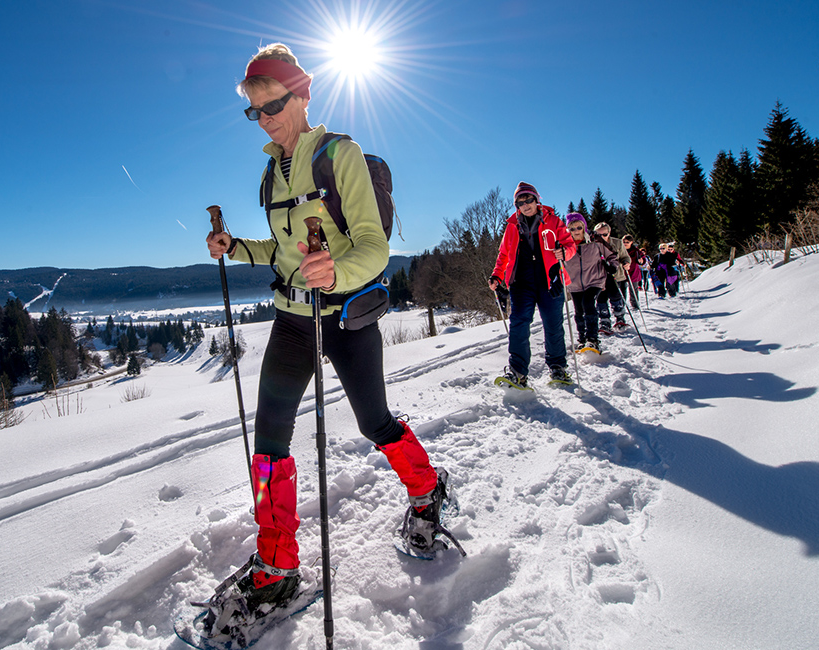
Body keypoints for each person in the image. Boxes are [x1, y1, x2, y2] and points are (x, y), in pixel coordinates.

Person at [205, 43, 449, 619]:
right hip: (292, 318)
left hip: (343, 315)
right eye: (255, 112)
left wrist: (337, 269)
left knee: (373, 421)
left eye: (274, 105)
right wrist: (236, 246)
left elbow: (374, 246)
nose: (265, 119)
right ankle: (278, 566)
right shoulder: (271, 174)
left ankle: (427, 489)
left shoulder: (341, 155)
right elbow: (282, 251)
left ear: (303, 93)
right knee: (269, 439)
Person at [489, 182, 577, 386]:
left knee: (553, 325)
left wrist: (564, 252)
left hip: (550, 281)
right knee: (519, 323)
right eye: (520, 202)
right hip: (521, 282)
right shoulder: (512, 226)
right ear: (516, 206)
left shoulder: (553, 221)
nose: (525, 204)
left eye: (529, 199)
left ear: (537, 200)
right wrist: (497, 276)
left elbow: (569, 245)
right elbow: (503, 254)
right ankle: (518, 372)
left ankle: (558, 368)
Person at [562, 213, 618, 353]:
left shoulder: (595, 239)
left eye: (579, 227)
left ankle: (592, 339)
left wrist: (612, 265)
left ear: (584, 227)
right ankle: (582, 339)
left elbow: (612, 254)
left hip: (595, 280)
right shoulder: (564, 243)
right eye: (572, 228)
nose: (576, 231)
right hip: (574, 282)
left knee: (588, 303)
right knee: (579, 310)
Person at [591, 222, 630, 331]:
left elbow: (624, 256)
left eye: (604, 235)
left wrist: (626, 262)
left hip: (615, 275)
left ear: (609, 233)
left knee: (616, 296)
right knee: (601, 298)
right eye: (598, 235)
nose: (602, 237)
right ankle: (604, 321)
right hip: (599, 276)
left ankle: (620, 317)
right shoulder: (591, 244)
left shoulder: (617, 243)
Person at [621, 234, 645, 310]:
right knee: (622, 289)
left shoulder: (636, 251)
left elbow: (642, 259)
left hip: (633, 272)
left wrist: (641, 261)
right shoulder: (620, 249)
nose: (625, 243)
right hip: (622, 272)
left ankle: (635, 304)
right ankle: (622, 304)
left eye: (627, 242)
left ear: (631, 242)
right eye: (624, 242)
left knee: (633, 289)